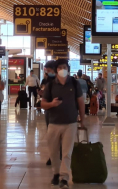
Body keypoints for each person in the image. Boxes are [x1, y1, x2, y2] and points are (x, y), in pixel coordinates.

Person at [41, 59, 85, 189]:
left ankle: (64, 177)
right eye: (59, 68)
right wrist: (52, 104)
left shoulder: (74, 83)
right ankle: (56, 172)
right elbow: (43, 104)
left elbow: (81, 102)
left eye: (64, 67)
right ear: (56, 70)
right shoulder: (50, 85)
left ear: (68, 68)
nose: (62, 70)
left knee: (67, 152)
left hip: (70, 123)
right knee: (53, 152)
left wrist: (82, 120)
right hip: (54, 123)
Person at [41, 60, 57, 166]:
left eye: (49, 70)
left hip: (62, 112)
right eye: (46, 70)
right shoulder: (47, 80)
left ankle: (59, 155)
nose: (47, 72)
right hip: (49, 111)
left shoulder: (61, 80)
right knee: (51, 135)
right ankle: (52, 156)